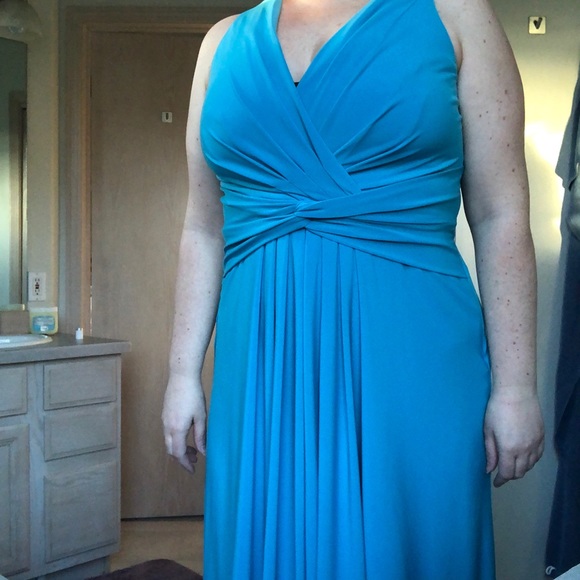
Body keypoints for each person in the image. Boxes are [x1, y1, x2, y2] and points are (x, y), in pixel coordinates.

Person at [162, 0, 545, 577]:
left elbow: (500, 215)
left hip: (410, 359)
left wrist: (515, 387)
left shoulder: (455, 16)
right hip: (261, 364)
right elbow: (202, 227)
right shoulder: (221, 45)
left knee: (407, 543)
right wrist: (181, 374)